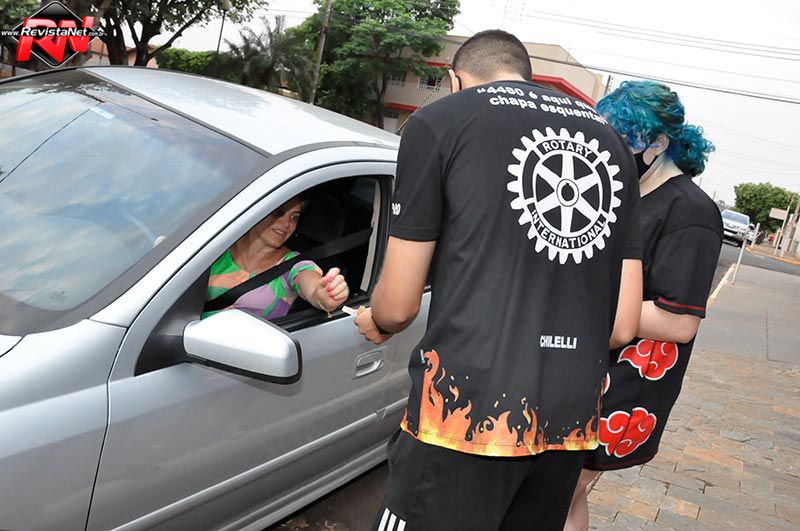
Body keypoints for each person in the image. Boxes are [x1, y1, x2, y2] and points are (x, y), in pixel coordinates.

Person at [354, 30, 643, 530]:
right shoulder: (611, 143)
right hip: (567, 418)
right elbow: (621, 327)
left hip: (463, 410)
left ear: (455, 80)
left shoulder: (440, 121)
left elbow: (397, 307)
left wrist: (376, 320)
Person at [564, 80, 720, 531]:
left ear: (659, 143)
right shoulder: (628, 194)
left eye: (625, 139)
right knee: (567, 496)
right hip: (593, 368)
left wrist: (580, 308)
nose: (613, 150)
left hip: (629, 381)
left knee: (559, 493)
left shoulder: (690, 211)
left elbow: (679, 322)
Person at [203, 196, 349, 320]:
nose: (287, 224)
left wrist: (323, 295)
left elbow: (311, 285)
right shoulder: (219, 244)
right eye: (278, 212)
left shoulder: (293, 265)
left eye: (294, 217)